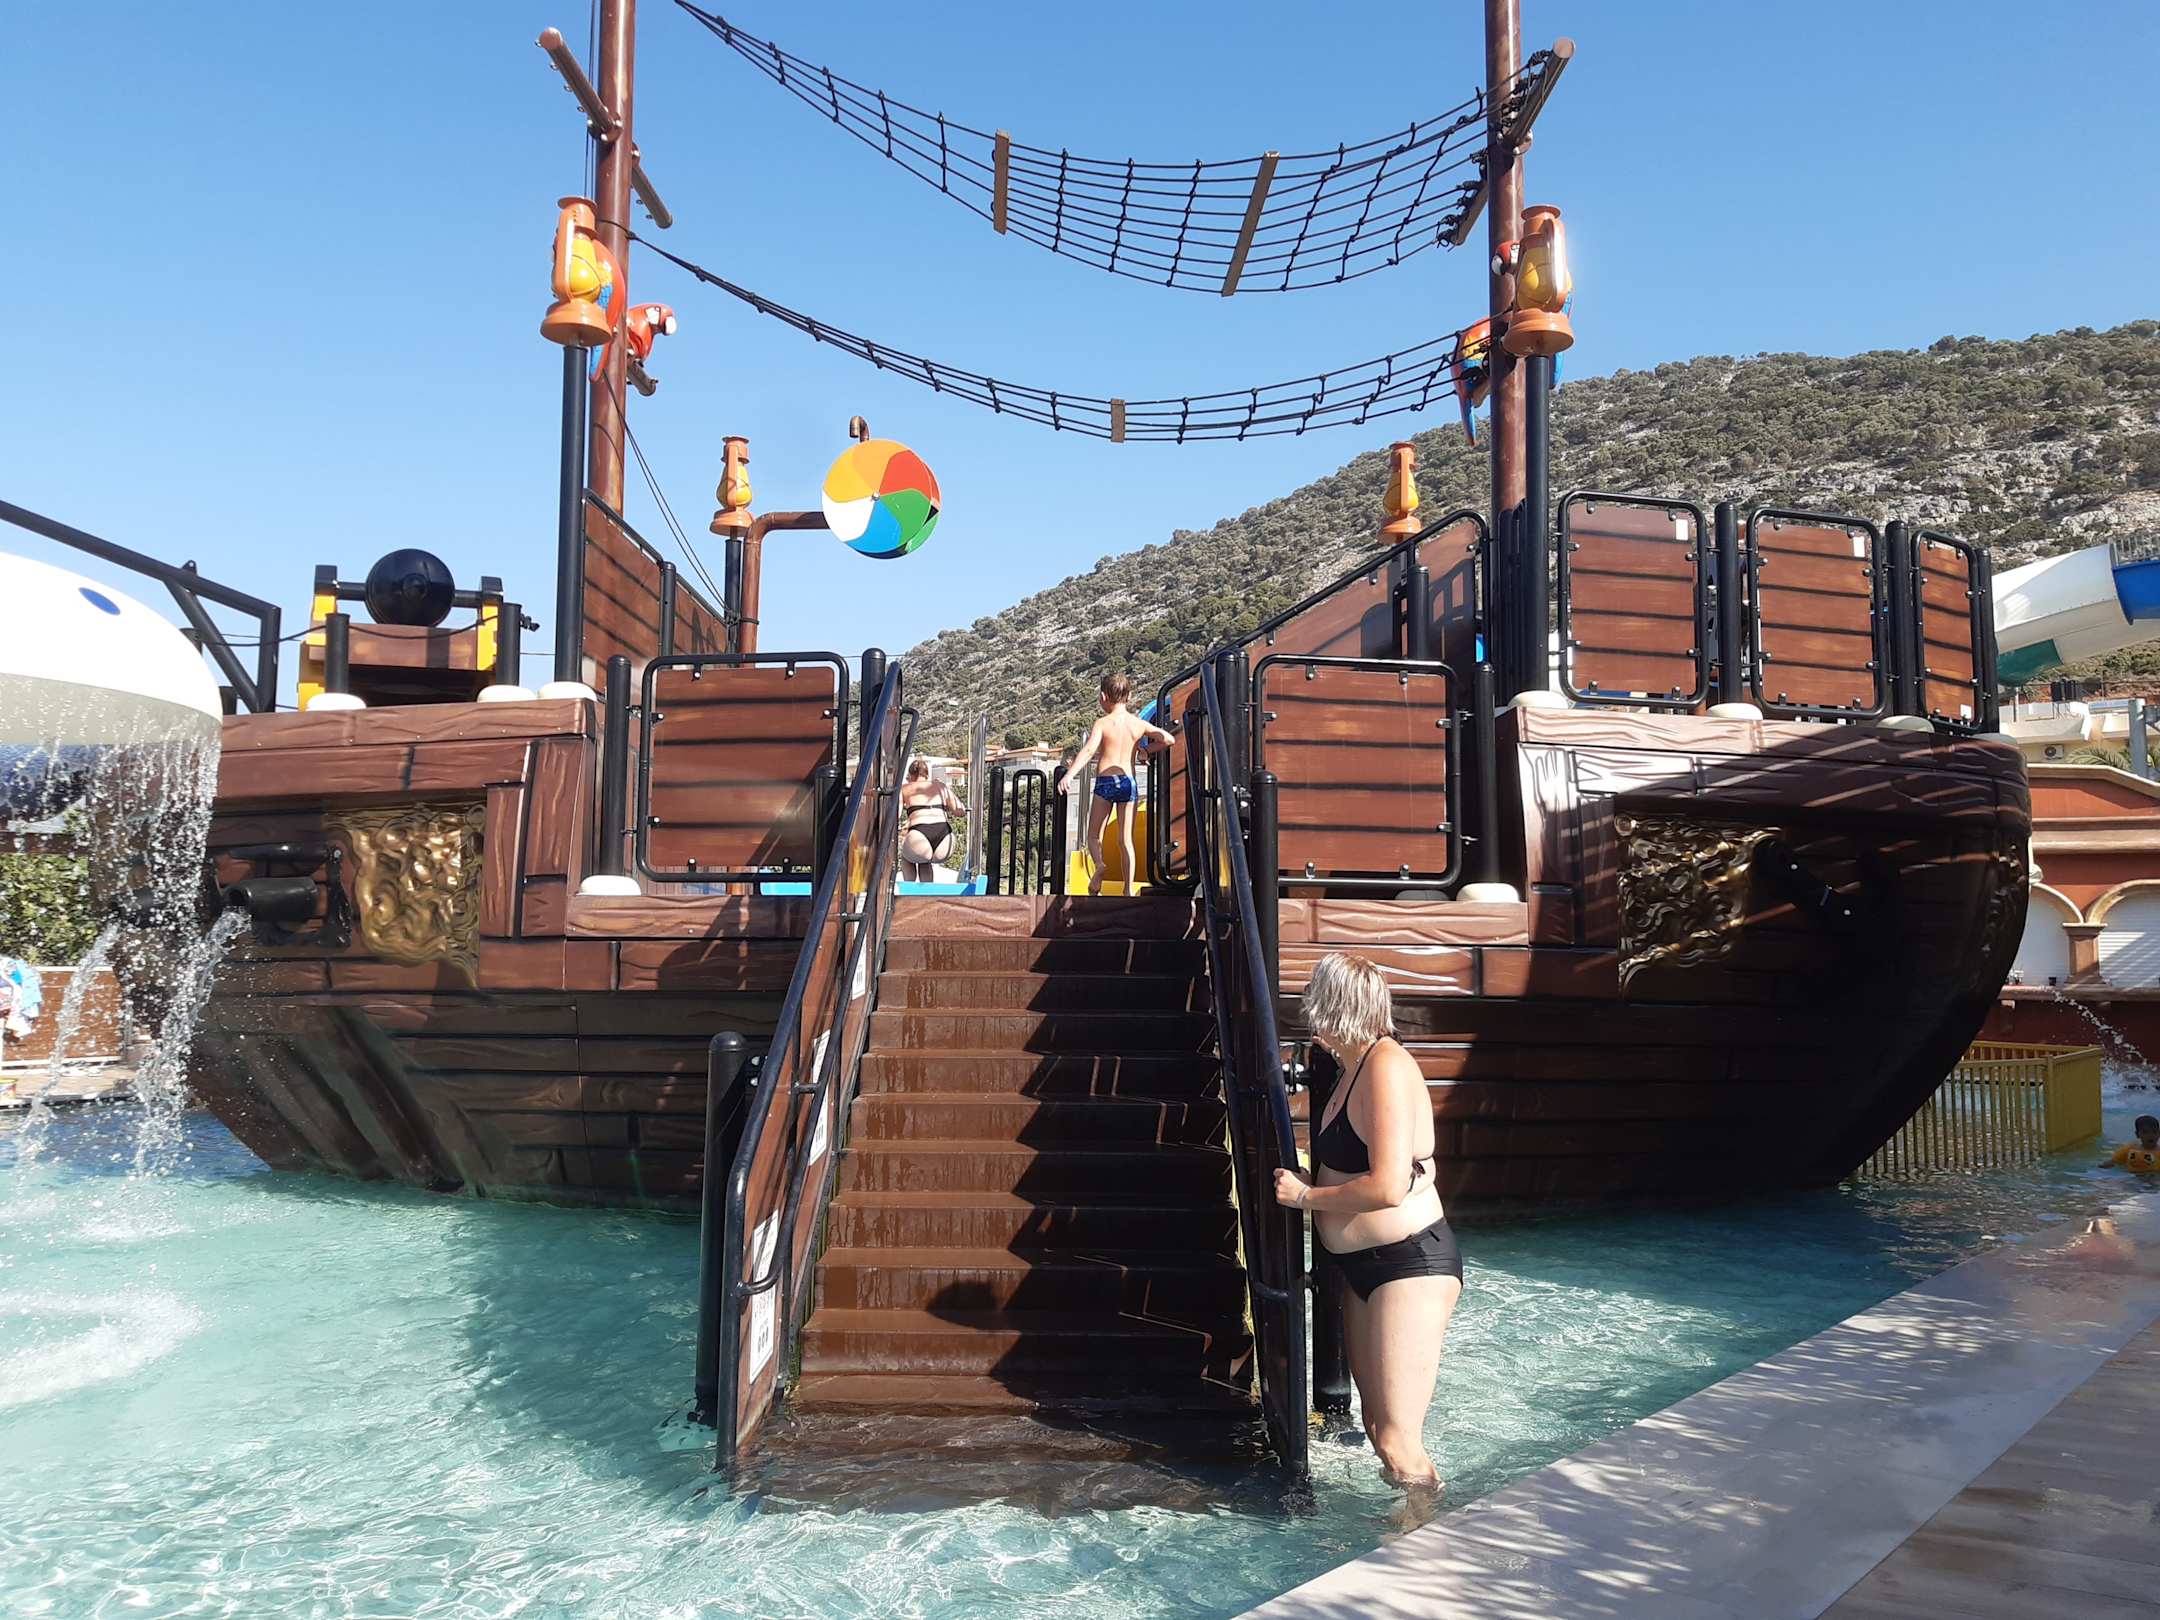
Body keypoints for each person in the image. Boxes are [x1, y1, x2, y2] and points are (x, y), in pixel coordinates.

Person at [1274, 951, 1461, 1490]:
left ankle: (1424, 1531)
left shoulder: (1385, 1066)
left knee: (1400, 1441)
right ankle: (1413, 1524)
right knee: (1379, 1428)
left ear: (1331, 1004)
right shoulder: (1352, 1067)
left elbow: (1386, 1186)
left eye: (1315, 998)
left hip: (1408, 1264)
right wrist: (1312, 1174)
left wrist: (1307, 1196)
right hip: (1363, 1268)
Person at [1060, 674, 1171, 896]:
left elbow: (1089, 750)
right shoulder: (1137, 724)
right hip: (1128, 782)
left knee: (1094, 835)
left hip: (1105, 782)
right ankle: (1128, 889)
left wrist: (1070, 775)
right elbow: (1169, 739)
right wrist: (1145, 750)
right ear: (1129, 696)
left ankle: (1099, 865)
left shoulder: (1102, 723)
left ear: (1103, 697)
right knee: (1125, 839)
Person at [898, 759, 963, 882]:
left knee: (907, 857)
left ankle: (908, 889)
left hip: (919, 833)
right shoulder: (940, 786)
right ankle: (927, 891)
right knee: (924, 860)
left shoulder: (904, 788)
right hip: (944, 838)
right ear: (927, 774)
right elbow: (960, 811)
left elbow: (896, 814)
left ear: (910, 775)